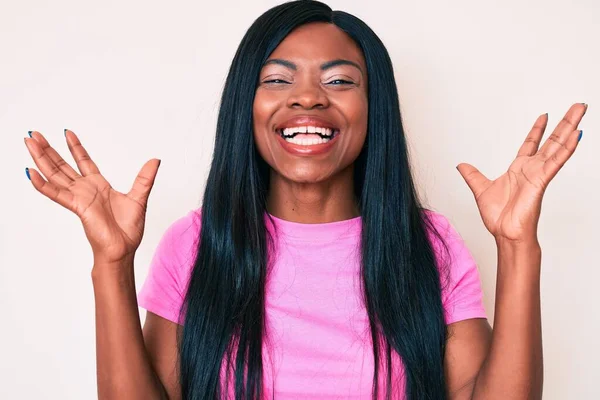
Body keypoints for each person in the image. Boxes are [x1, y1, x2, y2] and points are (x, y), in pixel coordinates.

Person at [23, 1, 587, 399]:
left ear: (374, 109)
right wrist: (112, 264)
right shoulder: (196, 244)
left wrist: (517, 248)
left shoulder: (428, 245)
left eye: (341, 81)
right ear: (247, 105)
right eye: (277, 80)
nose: (310, 98)